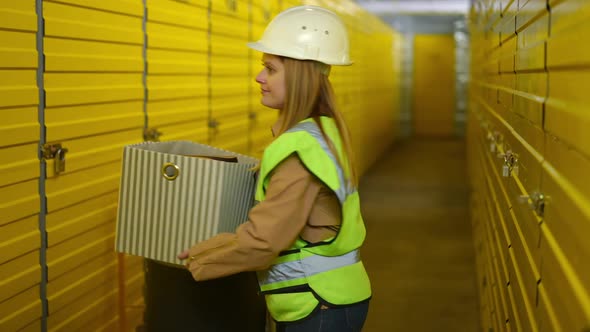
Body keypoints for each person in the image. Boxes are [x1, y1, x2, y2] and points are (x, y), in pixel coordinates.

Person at [178, 5, 372, 332]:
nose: (259, 77)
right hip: (331, 299)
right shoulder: (323, 131)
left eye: (270, 69)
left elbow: (263, 242)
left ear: (297, 74)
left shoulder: (299, 149)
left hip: (318, 306)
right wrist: (207, 248)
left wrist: (193, 263)